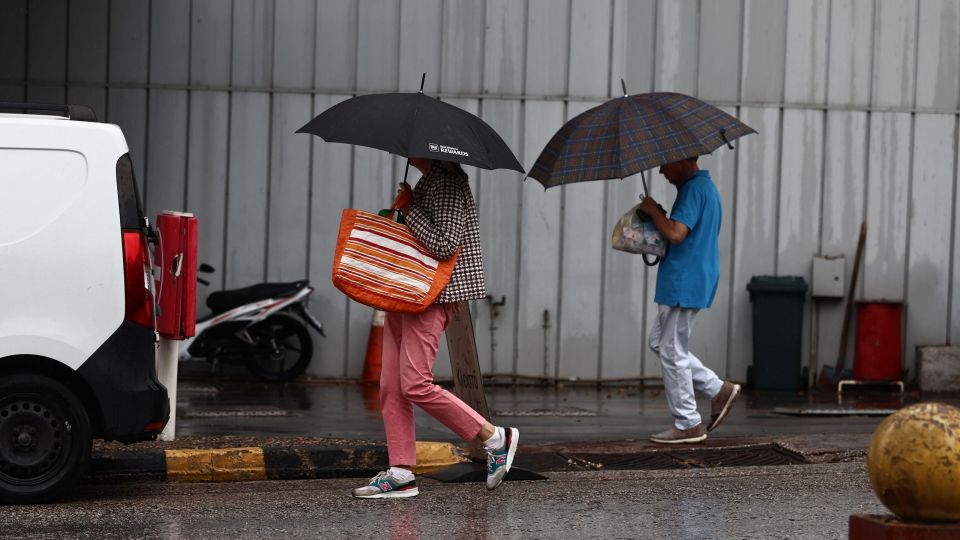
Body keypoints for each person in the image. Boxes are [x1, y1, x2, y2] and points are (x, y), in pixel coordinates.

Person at [352, 158, 519, 498]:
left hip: (432, 295)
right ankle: (400, 473)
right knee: (391, 385)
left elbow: (444, 244)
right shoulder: (430, 180)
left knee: (415, 383)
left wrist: (410, 207)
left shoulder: (447, 181)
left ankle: (495, 438)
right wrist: (406, 205)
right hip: (408, 291)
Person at [637, 156, 740, 444]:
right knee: (661, 342)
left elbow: (676, 233)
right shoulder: (702, 188)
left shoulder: (694, 189)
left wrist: (652, 211)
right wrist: (658, 214)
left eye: (665, 164)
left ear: (684, 160)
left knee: (672, 349)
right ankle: (717, 389)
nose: (661, 171)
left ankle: (688, 423)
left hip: (684, 278)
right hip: (691, 277)